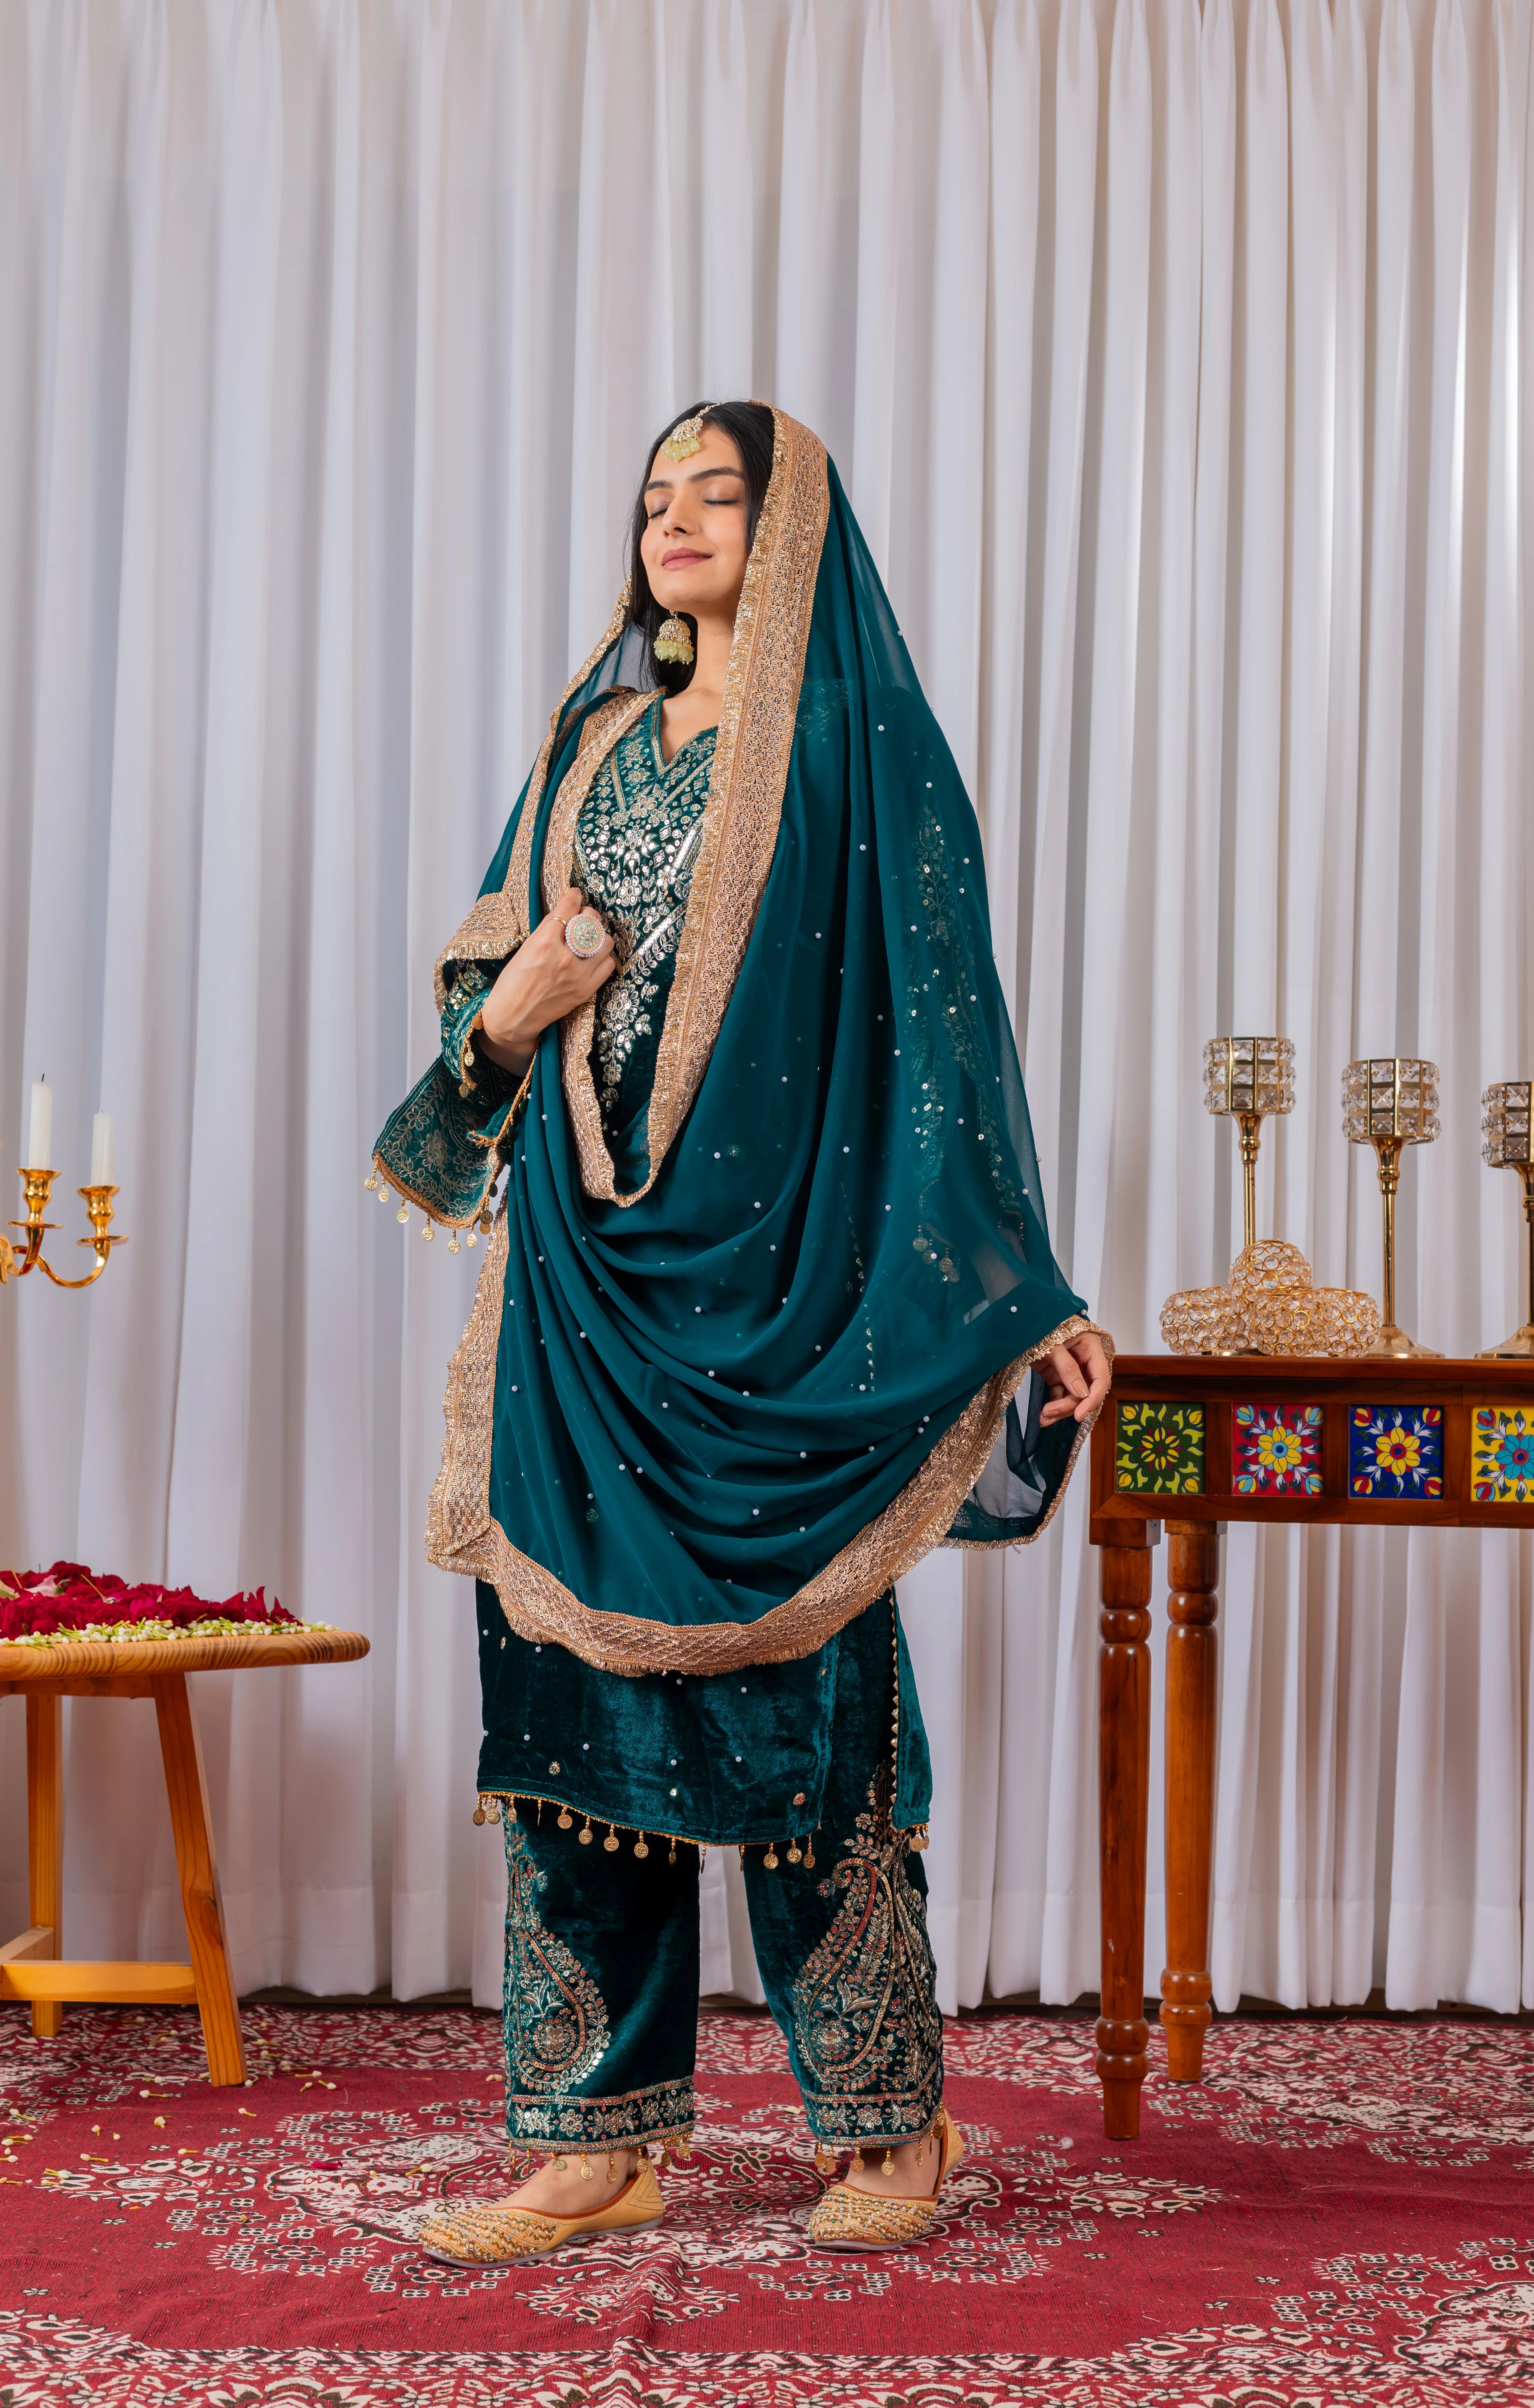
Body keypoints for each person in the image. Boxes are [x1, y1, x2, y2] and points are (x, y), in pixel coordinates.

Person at [372, 401, 1111, 2264]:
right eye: (652, 498)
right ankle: (588, 2132)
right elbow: (484, 1025)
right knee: (559, 1716)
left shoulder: (865, 759)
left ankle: (884, 2121)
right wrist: (520, 1005)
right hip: (576, 1304)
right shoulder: (589, 741)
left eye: (718, 494)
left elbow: (944, 1056)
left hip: (780, 1314)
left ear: (787, 541)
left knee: (807, 1733)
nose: (675, 521)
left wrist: (1027, 1293)